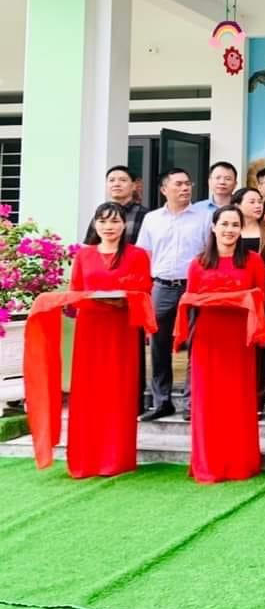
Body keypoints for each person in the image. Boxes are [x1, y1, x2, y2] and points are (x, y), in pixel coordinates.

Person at [181, 205, 265, 483]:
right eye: (224, 224)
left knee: (238, 398)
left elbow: (260, 299)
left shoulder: (253, 261)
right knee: (208, 400)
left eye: (235, 225)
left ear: (241, 230)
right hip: (208, 337)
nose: (229, 230)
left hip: (240, 337)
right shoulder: (198, 263)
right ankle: (209, 463)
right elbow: (191, 300)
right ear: (213, 227)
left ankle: (240, 462)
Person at [67, 203, 153, 477]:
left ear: (124, 224)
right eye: (103, 221)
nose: (109, 226)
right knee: (88, 391)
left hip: (122, 330)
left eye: (115, 221)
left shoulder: (137, 255)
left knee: (119, 389)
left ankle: (116, 459)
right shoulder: (84, 255)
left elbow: (144, 291)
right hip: (90, 330)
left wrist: (123, 300)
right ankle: (86, 459)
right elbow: (75, 292)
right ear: (95, 224)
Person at [135, 168, 209, 421]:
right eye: (178, 184)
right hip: (161, 286)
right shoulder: (152, 219)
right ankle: (162, 401)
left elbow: (209, 254)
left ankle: (191, 402)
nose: (185, 188)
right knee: (159, 344)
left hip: (194, 287)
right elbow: (144, 255)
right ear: (164, 189)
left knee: (197, 343)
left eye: (188, 183)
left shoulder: (204, 218)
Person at [233, 187, 265, 410]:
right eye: (251, 201)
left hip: (263, 292)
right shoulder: (230, 228)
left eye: (260, 201)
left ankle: (259, 397)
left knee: (261, 342)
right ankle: (237, 391)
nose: (258, 205)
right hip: (235, 294)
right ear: (237, 205)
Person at [82, 165, 149, 244]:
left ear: (134, 186)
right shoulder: (100, 213)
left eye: (123, 180)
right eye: (111, 180)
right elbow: (89, 244)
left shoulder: (145, 215)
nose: (116, 184)